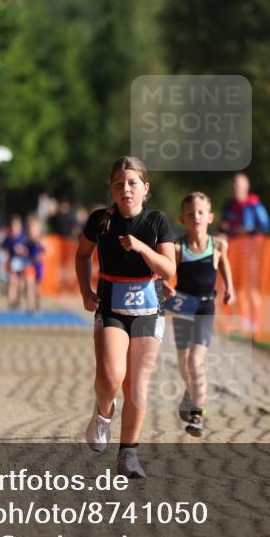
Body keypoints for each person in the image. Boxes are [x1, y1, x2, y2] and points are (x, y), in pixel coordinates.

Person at [75, 157, 176, 478]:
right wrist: (85, 290)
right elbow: (82, 254)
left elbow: (169, 269)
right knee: (110, 376)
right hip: (111, 307)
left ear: (145, 188)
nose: (126, 189)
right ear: (111, 189)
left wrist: (142, 248)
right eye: (119, 184)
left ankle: (128, 455)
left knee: (137, 383)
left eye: (133, 183)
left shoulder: (157, 222)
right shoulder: (100, 220)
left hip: (149, 310)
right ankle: (103, 414)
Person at [164, 192, 234, 437]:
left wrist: (230, 288)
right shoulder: (177, 248)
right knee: (184, 362)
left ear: (210, 217)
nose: (196, 217)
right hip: (183, 308)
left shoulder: (219, 245)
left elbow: (223, 261)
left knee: (195, 361)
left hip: (205, 308)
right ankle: (191, 391)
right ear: (182, 219)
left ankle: (197, 414)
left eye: (201, 212)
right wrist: (165, 284)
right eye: (191, 213)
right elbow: (164, 271)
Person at [220, 173, 270, 335]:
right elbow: (223, 227)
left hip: (251, 254)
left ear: (246, 188)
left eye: (240, 185)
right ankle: (239, 321)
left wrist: (246, 232)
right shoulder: (228, 206)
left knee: (252, 288)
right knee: (235, 288)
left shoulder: (254, 205)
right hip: (232, 255)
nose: (236, 188)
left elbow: (265, 227)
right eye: (234, 185)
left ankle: (255, 323)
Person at [2, 215, 28, 311]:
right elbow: (5, 250)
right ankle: (11, 302)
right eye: (13, 226)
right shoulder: (9, 238)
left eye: (16, 226)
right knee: (12, 282)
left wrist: (23, 250)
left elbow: (29, 250)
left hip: (23, 263)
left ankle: (17, 300)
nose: (14, 229)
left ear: (20, 227)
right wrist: (4, 261)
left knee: (20, 284)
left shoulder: (24, 237)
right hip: (13, 263)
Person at [24, 214, 45, 316]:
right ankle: (29, 307)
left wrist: (40, 256)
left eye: (34, 230)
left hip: (39, 266)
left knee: (37, 288)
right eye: (30, 230)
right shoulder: (28, 241)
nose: (31, 232)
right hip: (30, 266)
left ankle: (38, 307)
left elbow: (49, 251)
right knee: (29, 285)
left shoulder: (40, 241)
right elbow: (25, 251)